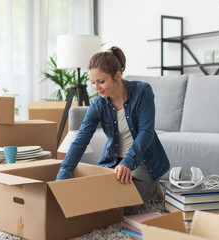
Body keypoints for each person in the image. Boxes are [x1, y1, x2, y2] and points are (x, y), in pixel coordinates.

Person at [56, 46, 170, 214]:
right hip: (114, 162)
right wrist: (63, 174)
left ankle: (153, 190)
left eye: (101, 81)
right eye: (93, 82)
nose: (96, 87)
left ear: (117, 76)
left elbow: (146, 132)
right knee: (99, 200)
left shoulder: (143, 91)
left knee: (123, 208)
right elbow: (81, 140)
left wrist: (128, 162)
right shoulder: (98, 104)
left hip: (143, 162)